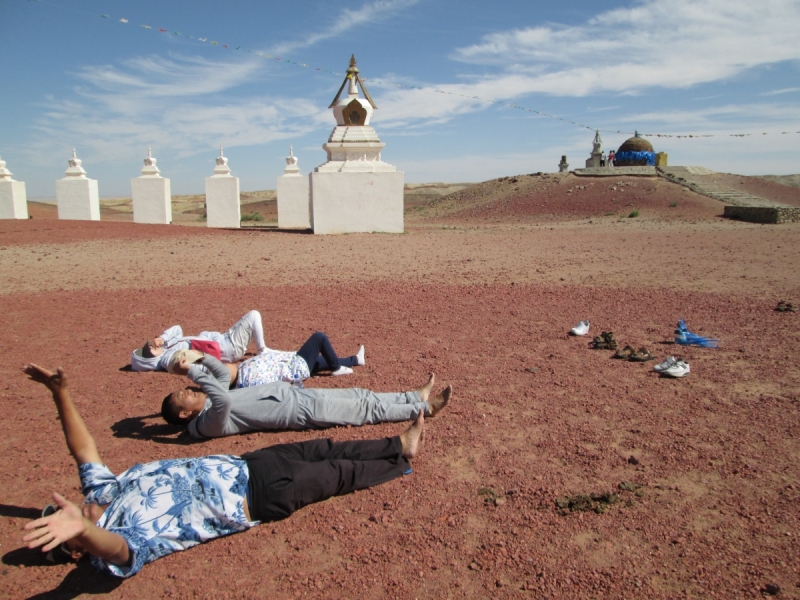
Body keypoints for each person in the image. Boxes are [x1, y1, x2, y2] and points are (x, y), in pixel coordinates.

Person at [21, 363, 426, 578]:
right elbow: (121, 553)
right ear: (73, 548)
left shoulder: (101, 493)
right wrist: (86, 532)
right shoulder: (114, 540)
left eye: (57, 513)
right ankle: (397, 465)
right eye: (60, 523)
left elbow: (84, 450)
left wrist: (61, 394)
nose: (65, 510)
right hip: (254, 500)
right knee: (335, 475)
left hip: (248, 464)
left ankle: (399, 445)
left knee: (326, 448)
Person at [162, 353, 451, 439]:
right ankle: (423, 408)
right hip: (297, 412)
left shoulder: (211, 399)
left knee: (361, 395)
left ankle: (412, 396)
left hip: (294, 395)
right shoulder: (203, 424)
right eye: (181, 396)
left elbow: (222, 378)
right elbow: (224, 399)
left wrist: (199, 359)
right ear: (185, 413)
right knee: (363, 411)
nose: (186, 390)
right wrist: (193, 373)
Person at [168, 331, 364, 382]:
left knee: (320, 362)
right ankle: (337, 369)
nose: (224, 365)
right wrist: (191, 369)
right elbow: (213, 379)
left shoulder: (241, 371)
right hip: (294, 367)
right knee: (319, 338)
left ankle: (355, 360)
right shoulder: (243, 379)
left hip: (291, 364)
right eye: (222, 369)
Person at [131, 310, 270, 372]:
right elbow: (189, 365)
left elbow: (178, 329)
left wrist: (163, 338)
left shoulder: (167, 348)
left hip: (223, 340)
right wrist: (216, 369)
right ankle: (262, 351)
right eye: (148, 353)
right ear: (149, 362)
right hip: (226, 347)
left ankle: (261, 350)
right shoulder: (167, 359)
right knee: (253, 315)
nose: (151, 347)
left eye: (147, 347)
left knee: (251, 317)